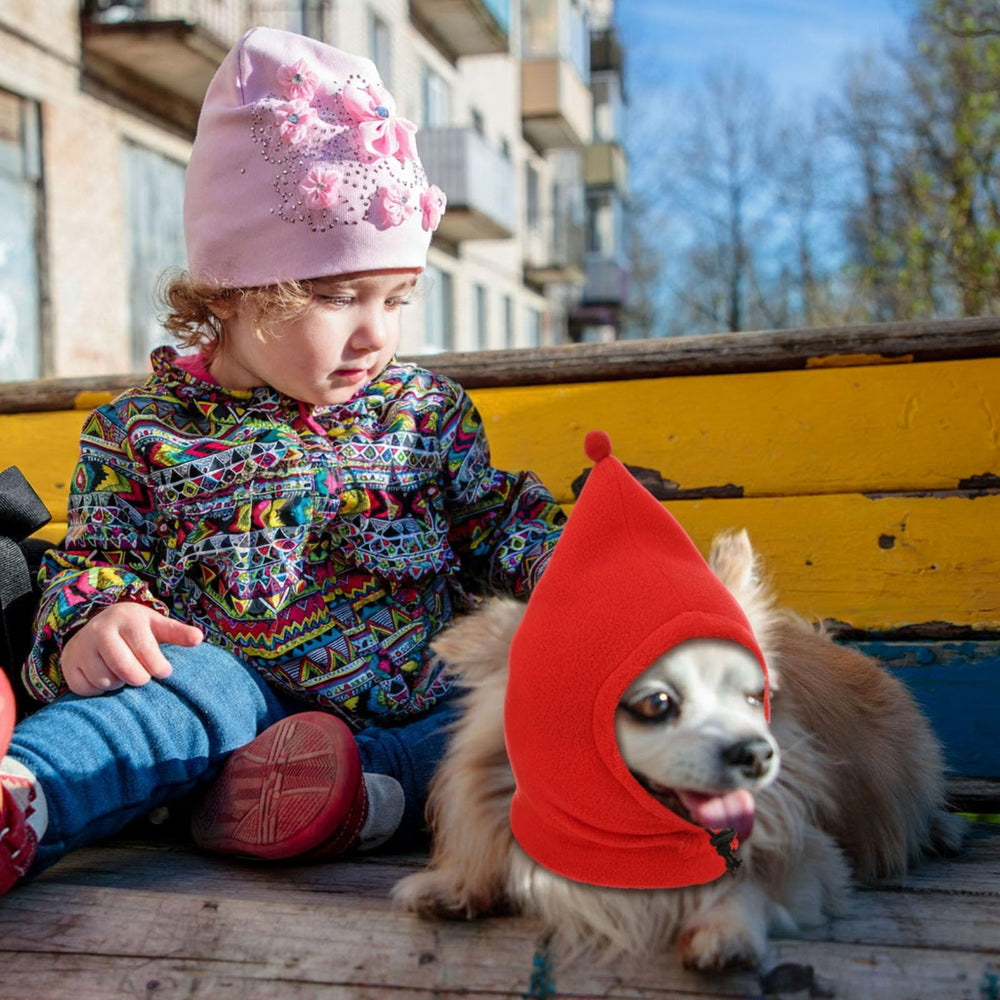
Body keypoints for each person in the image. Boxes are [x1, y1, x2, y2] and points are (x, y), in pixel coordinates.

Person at [0, 26, 565, 896]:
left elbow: (497, 522)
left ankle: (359, 797)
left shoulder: (425, 416)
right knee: (164, 693)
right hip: (233, 693)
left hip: (414, 697)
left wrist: (577, 566)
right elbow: (97, 555)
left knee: (509, 702)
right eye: (339, 296)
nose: (376, 332)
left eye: (397, 297)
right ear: (230, 290)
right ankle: (26, 799)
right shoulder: (142, 431)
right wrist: (96, 617)